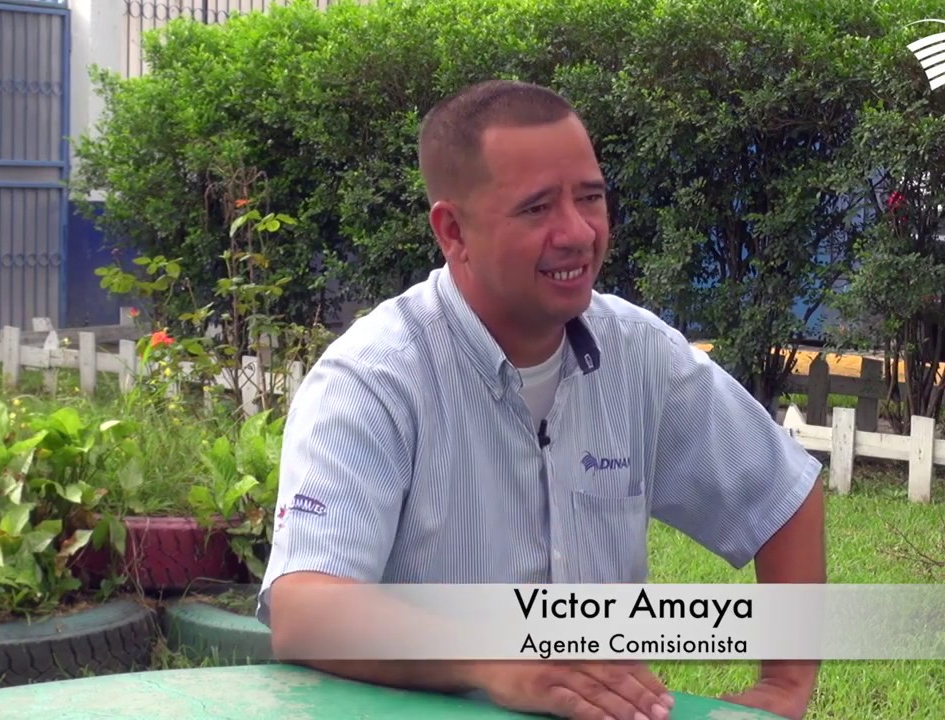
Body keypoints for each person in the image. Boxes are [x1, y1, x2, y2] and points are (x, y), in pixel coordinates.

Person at [258, 79, 827, 720]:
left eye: (591, 198)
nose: (578, 232)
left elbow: (782, 495)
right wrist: (490, 657)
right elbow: (305, 609)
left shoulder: (641, 356)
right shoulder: (374, 378)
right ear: (453, 230)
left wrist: (783, 686)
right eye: (536, 208)